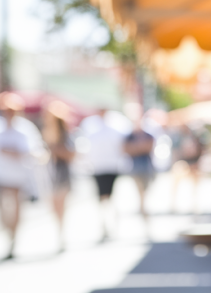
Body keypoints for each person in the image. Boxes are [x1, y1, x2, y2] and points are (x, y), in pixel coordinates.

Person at [0, 93, 33, 260]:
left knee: (17, 207)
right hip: (0, 175)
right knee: (3, 208)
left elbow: (29, 151)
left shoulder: (24, 128)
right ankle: (8, 235)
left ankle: (14, 238)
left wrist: (12, 152)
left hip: (18, 176)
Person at [83, 109, 126, 241]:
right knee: (102, 198)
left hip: (112, 166)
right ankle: (104, 225)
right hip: (98, 167)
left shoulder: (116, 125)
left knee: (111, 197)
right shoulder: (91, 125)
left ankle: (113, 226)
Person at [42, 101, 75, 251]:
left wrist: (56, 149)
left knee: (61, 204)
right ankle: (59, 232)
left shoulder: (66, 135)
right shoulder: (47, 133)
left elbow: (71, 154)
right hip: (50, 172)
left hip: (62, 172)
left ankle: (62, 234)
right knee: (53, 205)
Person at [124, 113, 156, 231]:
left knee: (146, 190)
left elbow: (149, 147)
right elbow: (126, 149)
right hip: (136, 168)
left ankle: (144, 208)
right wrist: (139, 147)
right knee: (140, 191)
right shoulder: (129, 136)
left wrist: (136, 147)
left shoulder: (147, 135)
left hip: (147, 167)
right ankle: (143, 209)